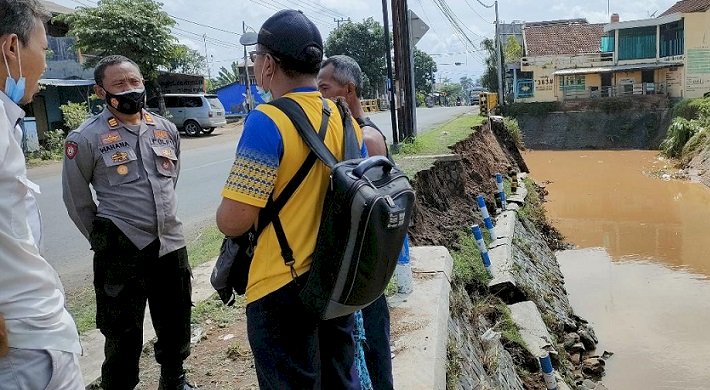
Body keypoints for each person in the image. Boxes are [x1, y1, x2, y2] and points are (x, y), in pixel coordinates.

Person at [215, 10, 367, 390]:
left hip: (283, 287)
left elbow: (235, 220)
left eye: (256, 59)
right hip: (335, 278)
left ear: (268, 64)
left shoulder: (268, 120)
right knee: (339, 379)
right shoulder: (343, 117)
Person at [62, 55, 194, 390]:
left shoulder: (165, 129)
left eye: (134, 81)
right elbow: (77, 202)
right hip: (120, 249)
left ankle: (173, 379)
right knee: (122, 331)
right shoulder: (85, 138)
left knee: (176, 318)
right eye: (120, 84)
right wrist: (103, 239)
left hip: (170, 242)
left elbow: (169, 182)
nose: (130, 89)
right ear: (100, 91)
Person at [0, 0, 84, 387]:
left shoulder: (8, 121)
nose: (46, 64)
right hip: (23, 347)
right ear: (11, 49)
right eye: (44, 50)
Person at [318, 54, 394, 390]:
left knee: (371, 344)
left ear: (348, 89)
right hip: (360, 265)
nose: (318, 95)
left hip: (361, 266)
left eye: (324, 87)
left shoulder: (366, 139)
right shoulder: (349, 132)